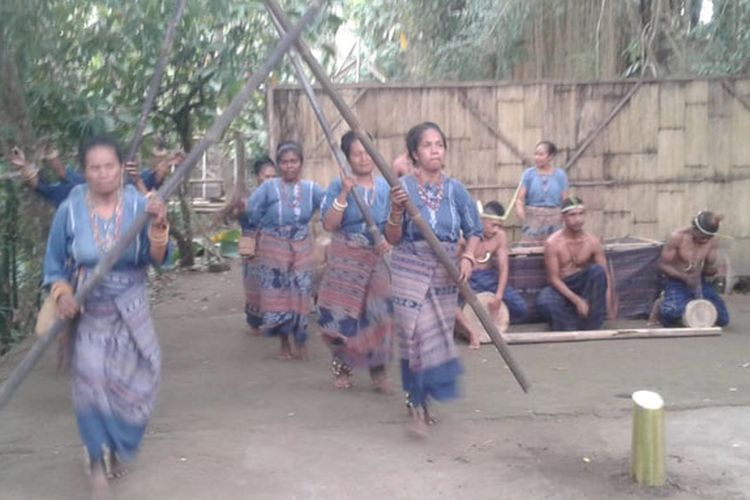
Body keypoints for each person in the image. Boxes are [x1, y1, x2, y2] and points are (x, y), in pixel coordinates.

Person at [42, 135, 171, 496]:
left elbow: (157, 259)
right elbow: (53, 266)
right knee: (90, 386)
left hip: (132, 310)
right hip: (90, 315)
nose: (102, 174)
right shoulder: (69, 209)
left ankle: (114, 446)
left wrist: (159, 225)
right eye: (94, 168)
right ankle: (96, 463)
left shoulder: (137, 205)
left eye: (109, 166)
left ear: (120, 169)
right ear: (84, 171)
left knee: (133, 386)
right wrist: (63, 293)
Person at [385, 121, 482, 436]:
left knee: (434, 338)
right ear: (415, 152)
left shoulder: (456, 190)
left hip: (443, 273)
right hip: (409, 268)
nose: (435, 150)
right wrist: (397, 211)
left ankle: (421, 397)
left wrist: (468, 256)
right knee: (416, 337)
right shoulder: (403, 188)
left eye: (439, 144)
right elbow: (392, 236)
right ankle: (416, 404)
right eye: (427, 145)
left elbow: (475, 231)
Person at [317, 131, 393, 391]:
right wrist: (345, 193)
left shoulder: (385, 187)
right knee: (343, 315)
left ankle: (378, 372)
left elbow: (393, 226)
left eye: (367, 151)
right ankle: (342, 368)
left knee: (380, 313)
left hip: (375, 256)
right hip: (346, 256)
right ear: (348, 158)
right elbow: (329, 224)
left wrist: (387, 240)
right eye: (356, 153)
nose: (363, 158)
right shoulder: (339, 185)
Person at [245, 141, 324, 360]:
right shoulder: (268, 188)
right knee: (277, 294)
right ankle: (284, 344)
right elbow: (252, 209)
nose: (289, 166)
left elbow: (327, 204)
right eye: (285, 162)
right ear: (279, 165)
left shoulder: (311, 189)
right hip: (273, 246)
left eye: (294, 161)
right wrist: (268, 229)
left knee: (301, 291)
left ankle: (301, 340)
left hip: (301, 244)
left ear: (301, 163)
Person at [535, 196, 617, 331]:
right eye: (572, 215)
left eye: (580, 214)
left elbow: (605, 276)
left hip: (584, 286)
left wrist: (610, 305)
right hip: (562, 288)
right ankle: (570, 326)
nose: (577, 219)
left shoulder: (592, 242)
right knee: (544, 302)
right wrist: (577, 300)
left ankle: (593, 325)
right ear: (563, 217)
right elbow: (553, 279)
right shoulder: (553, 243)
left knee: (597, 271)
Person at [455, 201, 528, 348]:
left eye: (499, 226)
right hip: (468, 279)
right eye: (493, 225)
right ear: (482, 221)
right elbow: (452, 267)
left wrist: (499, 295)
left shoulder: (499, 236)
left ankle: (496, 320)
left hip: (489, 278)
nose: (496, 230)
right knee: (455, 305)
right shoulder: (463, 236)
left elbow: (503, 267)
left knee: (521, 308)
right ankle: (467, 326)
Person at [657, 210, 729, 327]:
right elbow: (662, 265)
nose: (705, 241)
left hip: (699, 281)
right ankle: (662, 303)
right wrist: (684, 277)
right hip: (676, 280)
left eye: (708, 238)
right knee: (671, 314)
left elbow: (709, 268)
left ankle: (688, 303)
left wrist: (714, 271)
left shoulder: (712, 241)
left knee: (722, 319)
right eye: (702, 237)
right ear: (694, 229)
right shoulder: (677, 237)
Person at [237, 156, 277, 332]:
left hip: (275, 249)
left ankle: (275, 321)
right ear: (258, 177)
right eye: (267, 176)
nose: (270, 180)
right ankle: (255, 322)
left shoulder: (278, 197)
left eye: (273, 177)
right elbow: (244, 220)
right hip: (254, 249)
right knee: (254, 285)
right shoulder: (249, 198)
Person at [515, 141, 569, 242]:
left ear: (550, 156)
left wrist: (564, 216)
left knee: (554, 248)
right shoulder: (528, 174)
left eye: (540, 154)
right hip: (532, 218)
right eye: (535, 154)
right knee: (530, 250)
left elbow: (565, 200)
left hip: (555, 218)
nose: (536, 157)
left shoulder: (560, 175)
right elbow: (520, 198)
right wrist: (520, 210)